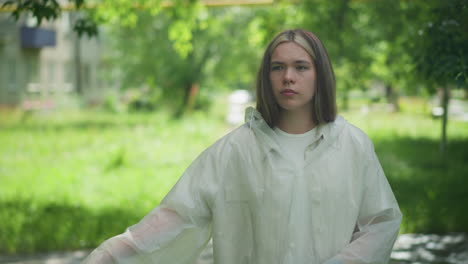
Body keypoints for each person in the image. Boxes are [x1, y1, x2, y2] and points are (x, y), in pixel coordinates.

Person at [83, 29, 402, 264]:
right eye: (277, 67)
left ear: (321, 75)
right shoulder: (235, 151)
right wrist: (109, 257)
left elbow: (381, 222)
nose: (288, 77)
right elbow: (177, 218)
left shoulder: (351, 145)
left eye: (301, 67)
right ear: (266, 76)